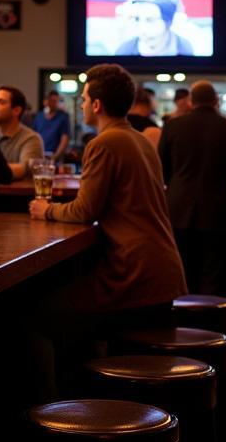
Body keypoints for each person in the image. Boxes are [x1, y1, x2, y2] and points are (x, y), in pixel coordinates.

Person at [28, 64, 186, 393]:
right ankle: (95, 398)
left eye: (84, 98)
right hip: (163, 273)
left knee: (36, 319)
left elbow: (85, 210)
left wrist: (47, 210)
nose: (83, 104)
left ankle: (60, 416)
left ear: (97, 105)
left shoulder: (104, 143)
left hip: (132, 275)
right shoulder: (141, 141)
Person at [159, 80, 226, 295]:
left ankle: (182, 326)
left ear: (191, 102)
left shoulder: (172, 127)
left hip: (177, 210)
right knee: (213, 275)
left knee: (182, 272)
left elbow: (162, 172)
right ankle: (208, 325)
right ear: (215, 101)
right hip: (216, 211)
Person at [114, 0, 195, 56]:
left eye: (150, 20)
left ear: (168, 22)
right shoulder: (124, 50)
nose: (142, 30)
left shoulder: (185, 48)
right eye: (138, 19)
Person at [0, 85, 44, 179]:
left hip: (17, 193)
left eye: (1, 102)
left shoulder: (30, 138)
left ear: (16, 110)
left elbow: (27, 169)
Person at [34, 90, 71, 161]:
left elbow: (65, 138)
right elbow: (34, 136)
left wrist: (55, 156)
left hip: (55, 156)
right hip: (40, 155)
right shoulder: (39, 117)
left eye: (56, 101)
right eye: (52, 101)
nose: (54, 103)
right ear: (45, 101)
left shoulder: (63, 117)